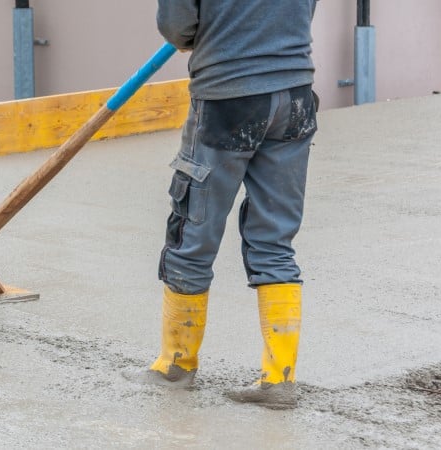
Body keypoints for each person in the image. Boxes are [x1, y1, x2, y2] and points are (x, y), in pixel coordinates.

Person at [138, 0, 319, 410]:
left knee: (193, 229)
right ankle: (279, 380)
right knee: (275, 237)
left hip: (228, 97)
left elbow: (177, 26)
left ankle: (175, 366)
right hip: (294, 96)